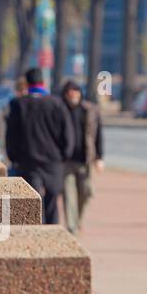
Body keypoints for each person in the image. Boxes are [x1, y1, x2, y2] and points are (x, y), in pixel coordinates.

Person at [4, 67, 75, 225]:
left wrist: (14, 157)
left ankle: (35, 236)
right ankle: (52, 234)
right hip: (53, 162)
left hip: (28, 161)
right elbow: (68, 134)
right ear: (43, 82)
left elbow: (11, 135)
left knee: (32, 202)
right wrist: (65, 155)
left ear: (27, 83)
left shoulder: (18, 104)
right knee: (52, 203)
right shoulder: (57, 104)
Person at [59, 80, 104, 233]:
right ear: (65, 95)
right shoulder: (60, 110)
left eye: (76, 91)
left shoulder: (90, 110)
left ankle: (78, 220)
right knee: (68, 194)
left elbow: (98, 135)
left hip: (84, 160)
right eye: (69, 92)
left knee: (85, 192)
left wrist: (99, 157)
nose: (73, 95)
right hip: (65, 161)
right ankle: (72, 226)